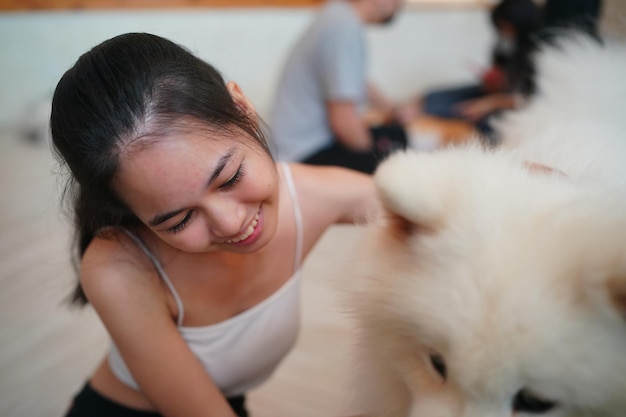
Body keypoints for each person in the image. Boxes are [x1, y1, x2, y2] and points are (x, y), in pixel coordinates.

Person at [51, 32, 378, 417]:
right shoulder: (118, 267)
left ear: (241, 107)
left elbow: (440, 204)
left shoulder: (310, 194)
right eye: (180, 220)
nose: (231, 222)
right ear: (129, 213)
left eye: (230, 178)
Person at [269, 0, 409, 174]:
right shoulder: (345, 30)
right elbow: (343, 123)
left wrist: (392, 108)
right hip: (305, 155)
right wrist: (374, 157)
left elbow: (352, 79)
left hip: (293, 145)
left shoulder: (336, 12)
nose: (401, 4)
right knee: (394, 145)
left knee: (389, 136)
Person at [417, 0, 541, 143]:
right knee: (434, 97)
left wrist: (490, 103)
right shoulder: (504, 44)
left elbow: (530, 100)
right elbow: (496, 76)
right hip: (494, 94)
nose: (503, 33)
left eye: (505, 28)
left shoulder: (541, 52)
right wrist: (492, 82)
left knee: (483, 121)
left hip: (511, 108)